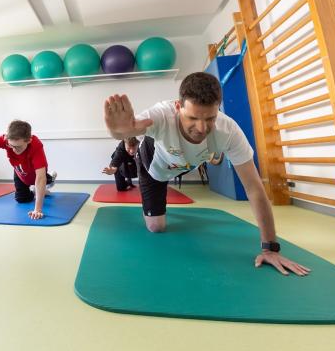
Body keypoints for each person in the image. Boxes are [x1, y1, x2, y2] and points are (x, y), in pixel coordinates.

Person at [104, 72, 310, 276]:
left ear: (218, 109)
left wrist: (270, 249)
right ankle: (129, 177)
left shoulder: (228, 131)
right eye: (192, 118)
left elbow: (254, 188)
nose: (202, 128)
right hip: (153, 168)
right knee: (156, 227)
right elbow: (124, 131)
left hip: (182, 163)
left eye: (210, 118)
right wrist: (119, 132)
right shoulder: (161, 116)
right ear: (178, 106)